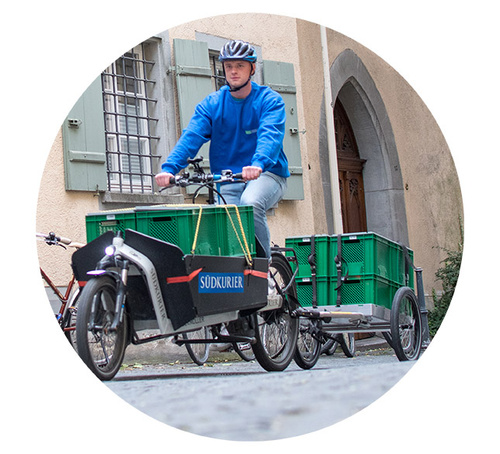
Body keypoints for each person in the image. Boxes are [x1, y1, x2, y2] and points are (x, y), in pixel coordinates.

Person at [155, 39, 290, 258]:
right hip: (228, 177)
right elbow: (191, 136)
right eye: (229, 66)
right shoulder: (212, 104)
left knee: (250, 204)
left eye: (240, 65)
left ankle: (263, 268)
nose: (233, 71)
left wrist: (258, 164)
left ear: (252, 69)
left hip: (266, 173)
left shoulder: (269, 100)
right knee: (224, 226)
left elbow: (270, 135)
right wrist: (169, 168)